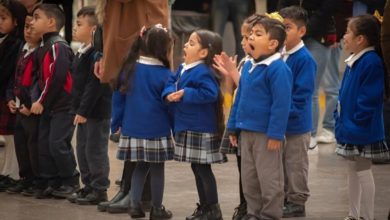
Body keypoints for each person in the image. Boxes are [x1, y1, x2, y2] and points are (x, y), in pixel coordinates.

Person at [95, 1, 169, 212]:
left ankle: (139, 197)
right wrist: (102, 54)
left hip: (142, 40)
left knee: (145, 146)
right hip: (126, 41)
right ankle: (131, 193)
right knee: (136, 141)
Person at [227, 17, 292, 220]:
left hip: (266, 135)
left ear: (272, 44)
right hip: (246, 132)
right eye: (250, 34)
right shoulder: (247, 66)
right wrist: (232, 128)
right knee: (250, 178)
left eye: (257, 34)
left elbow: (281, 105)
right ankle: (253, 213)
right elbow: (240, 99)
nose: (250, 38)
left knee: (269, 178)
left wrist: (276, 133)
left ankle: (270, 215)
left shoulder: (278, 69)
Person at [111, 24, 174, 220]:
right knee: (157, 170)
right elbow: (170, 105)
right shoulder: (166, 75)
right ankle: (157, 209)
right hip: (157, 130)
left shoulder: (130, 69)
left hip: (132, 128)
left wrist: (116, 124)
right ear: (164, 49)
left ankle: (134, 206)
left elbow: (118, 99)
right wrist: (175, 128)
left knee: (139, 167)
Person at [162, 29, 226, 220]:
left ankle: (213, 209)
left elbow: (210, 93)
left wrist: (185, 93)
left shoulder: (203, 71)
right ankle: (205, 207)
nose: (185, 45)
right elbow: (170, 81)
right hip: (187, 126)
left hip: (200, 128)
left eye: (191, 43)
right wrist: (168, 93)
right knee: (197, 168)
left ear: (204, 53)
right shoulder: (183, 67)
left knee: (203, 169)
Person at [335, 14, 390, 220]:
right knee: (353, 172)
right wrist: (339, 117)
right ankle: (354, 214)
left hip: (361, 129)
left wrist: (356, 122)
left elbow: (368, 99)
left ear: (361, 39)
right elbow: (344, 95)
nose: (344, 36)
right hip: (350, 127)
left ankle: (367, 216)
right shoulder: (356, 60)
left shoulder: (371, 61)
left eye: (348, 32)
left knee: (363, 172)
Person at [213, 13, 266, 220]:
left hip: (254, 125)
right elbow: (235, 92)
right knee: (243, 169)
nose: (244, 42)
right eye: (244, 37)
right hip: (240, 121)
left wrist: (234, 74)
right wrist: (229, 76)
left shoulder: (265, 65)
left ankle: (255, 208)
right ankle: (244, 204)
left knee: (256, 172)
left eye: (249, 36)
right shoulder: (245, 61)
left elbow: (251, 90)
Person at [29, 3, 79, 199]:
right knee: (44, 144)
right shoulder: (42, 46)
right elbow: (37, 79)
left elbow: (55, 78)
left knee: (58, 143)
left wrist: (41, 100)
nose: (32, 22)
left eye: (36, 18)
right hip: (48, 105)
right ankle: (52, 180)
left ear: (50, 22)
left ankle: (71, 180)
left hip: (63, 106)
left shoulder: (58, 46)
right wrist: (36, 98)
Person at [278, 0, 339, 149]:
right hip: (297, 33)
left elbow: (328, 8)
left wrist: (302, 29)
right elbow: (282, 6)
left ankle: (311, 134)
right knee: (290, 88)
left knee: (312, 91)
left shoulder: (306, 58)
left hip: (318, 36)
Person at [67, 6, 112, 205]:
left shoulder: (97, 55)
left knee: (95, 150)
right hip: (83, 111)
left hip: (96, 111)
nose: (75, 28)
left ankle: (99, 188)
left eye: (79, 24)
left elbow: (94, 87)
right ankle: (88, 186)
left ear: (94, 29)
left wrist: (83, 110)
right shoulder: (81, 52)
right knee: (82, 149)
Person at [279, 6, 316, 218]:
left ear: (301, 31)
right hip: (281, 124)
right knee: (283, 164)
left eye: (287, 28)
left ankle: (297, 202)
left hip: (296, 125)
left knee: (296, 165)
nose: (282, 32)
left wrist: (281, 113)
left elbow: (301, 97)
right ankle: (285, 197)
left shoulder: (304, 59)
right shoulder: (280, 55)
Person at [5, 14, 40, 194]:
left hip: (30, 109)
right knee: (20, 144)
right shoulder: (23, 49)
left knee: (32, 145)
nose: (28, 31)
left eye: (32, 28)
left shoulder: (39, 53)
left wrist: (30, 103)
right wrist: (10, 97)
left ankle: (36, 180)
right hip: (18, 107)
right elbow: (14, 78)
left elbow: (37, 83)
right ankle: (25, 177)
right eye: (26, 27)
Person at [0, 0, 27, 191]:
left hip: (7, 95)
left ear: (16, 21)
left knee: (11, 136)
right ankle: (6, 171)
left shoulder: (16, 43)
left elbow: (7, 71)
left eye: (3, 18)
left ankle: (13, 173)